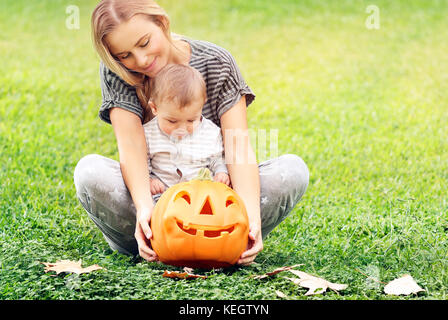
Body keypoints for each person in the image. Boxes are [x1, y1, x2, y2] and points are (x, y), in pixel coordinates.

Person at [74, 0, 309, 266]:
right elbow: (131, 147)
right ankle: (143, 237)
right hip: (156, 197)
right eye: (124, 55)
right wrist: (143, 208)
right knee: (89, 171)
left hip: (215, 199)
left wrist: (251, 215)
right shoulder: (119, 73)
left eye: (144, 43)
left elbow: (237, 147)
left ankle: (235, 238)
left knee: (292, 170)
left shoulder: (216, 61)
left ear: (162, 23)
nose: (140, 60)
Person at [143, 63, 230, 198]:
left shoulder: (210, 132)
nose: (182, 129)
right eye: (172, 121)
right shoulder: (148, 134)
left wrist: (221, 172)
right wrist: (149, 180)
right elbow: (142, 162)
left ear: (202, 105)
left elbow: (217, 158)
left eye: (191, 121)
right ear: (154, 108)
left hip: (200, 195)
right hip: (163, 195)